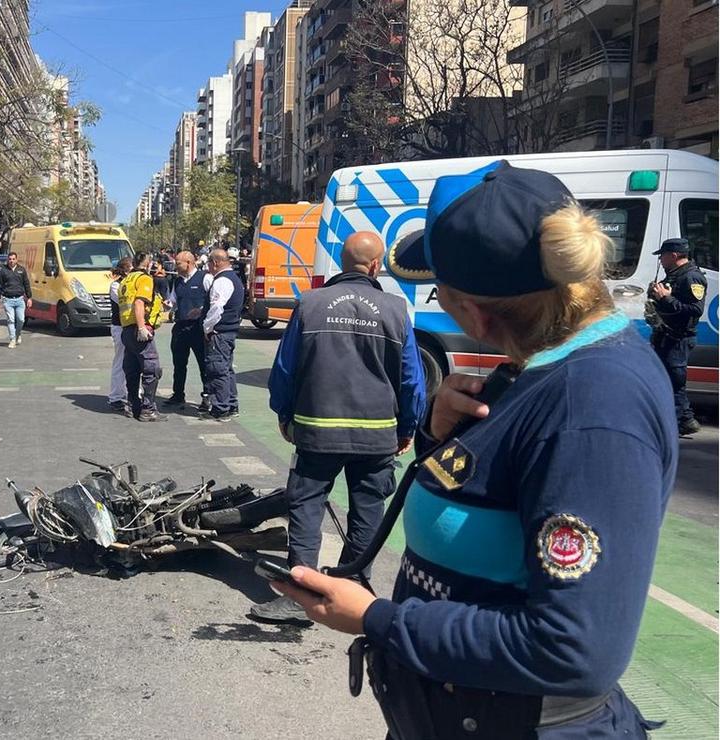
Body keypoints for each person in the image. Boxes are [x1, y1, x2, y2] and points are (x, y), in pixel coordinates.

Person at [272, 161, 673, 739]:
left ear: (475, 311)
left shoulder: (592, 403)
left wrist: (378, 619)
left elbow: (576, 650)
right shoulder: (544, 364)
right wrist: (438, 432)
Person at [252, 231, 426, 624]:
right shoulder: (396, 310)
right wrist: (408, 427)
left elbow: (285, 369)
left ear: (341, 263)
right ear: (377, 265)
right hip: (377, 433)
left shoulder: (310, 304)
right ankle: (354, 588)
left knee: (307, 506)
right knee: (367, 508)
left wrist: (284, 414)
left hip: (317, 431)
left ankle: (301, 595)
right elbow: (412, 379)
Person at [647, 237, 707, 435]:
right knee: (667, 379)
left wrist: (666, 298)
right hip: (666, 335)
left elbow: (694, 310)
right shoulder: (674, 274)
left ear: (673, 256)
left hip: (679, 338)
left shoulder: (691, 277)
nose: (660, 260)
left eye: (662, 256)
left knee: (674, 380)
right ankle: (683, 419)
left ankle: (681, 421)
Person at [117, 251, 165, 421]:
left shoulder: (126, 280)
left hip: (126, 330)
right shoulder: (144, 279)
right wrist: (142, 327)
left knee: (132, 369)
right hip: (138, 330)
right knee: (152, 368)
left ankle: (132, 405)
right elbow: (139, 302)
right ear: (147, 263)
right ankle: (148, 409)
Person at [201, 247, 244, 421]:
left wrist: (207, 327)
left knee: (217, 369)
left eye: (209, 263)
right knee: (226, 370)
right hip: (229, 331)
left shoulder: (221, 281)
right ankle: (231, 404)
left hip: (220, 332)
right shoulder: (234, 279)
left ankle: (221, 407)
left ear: (216, 262)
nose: (208, 267)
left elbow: (217, 307)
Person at [164, 250, 209, 410]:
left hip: (198, 328)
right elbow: (172, 300)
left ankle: (208, 396)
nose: (175, 266)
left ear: (189, 263)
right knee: (179, 363)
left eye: (178, 263)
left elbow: (214, 302)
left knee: (204, 363)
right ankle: (178, 394)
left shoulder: (205, 278)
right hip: (181, 327)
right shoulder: (177, 281)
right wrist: (166, 305)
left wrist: (202, 310)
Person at [107, 256, 134, 413]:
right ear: (124, 271)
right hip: (120, 327)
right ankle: (116, 396)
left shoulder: (131, 284)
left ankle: (133, 394)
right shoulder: (116, 286)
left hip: (132, 326)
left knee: (134, 361)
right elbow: (126, 302)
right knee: (121, 360)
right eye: (131, 269)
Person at [0, 251, 31, 348]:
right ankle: (12, 340)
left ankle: (18, 334)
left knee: (21, 320)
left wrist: (29, 298)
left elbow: (26, 284)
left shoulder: (21, 270)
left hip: (20, 299)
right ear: (7, 260)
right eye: (10, 259)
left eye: (13, 259)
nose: (11, 261)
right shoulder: (3, 271)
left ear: (16, 260)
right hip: (8, 300)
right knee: (10, 320)